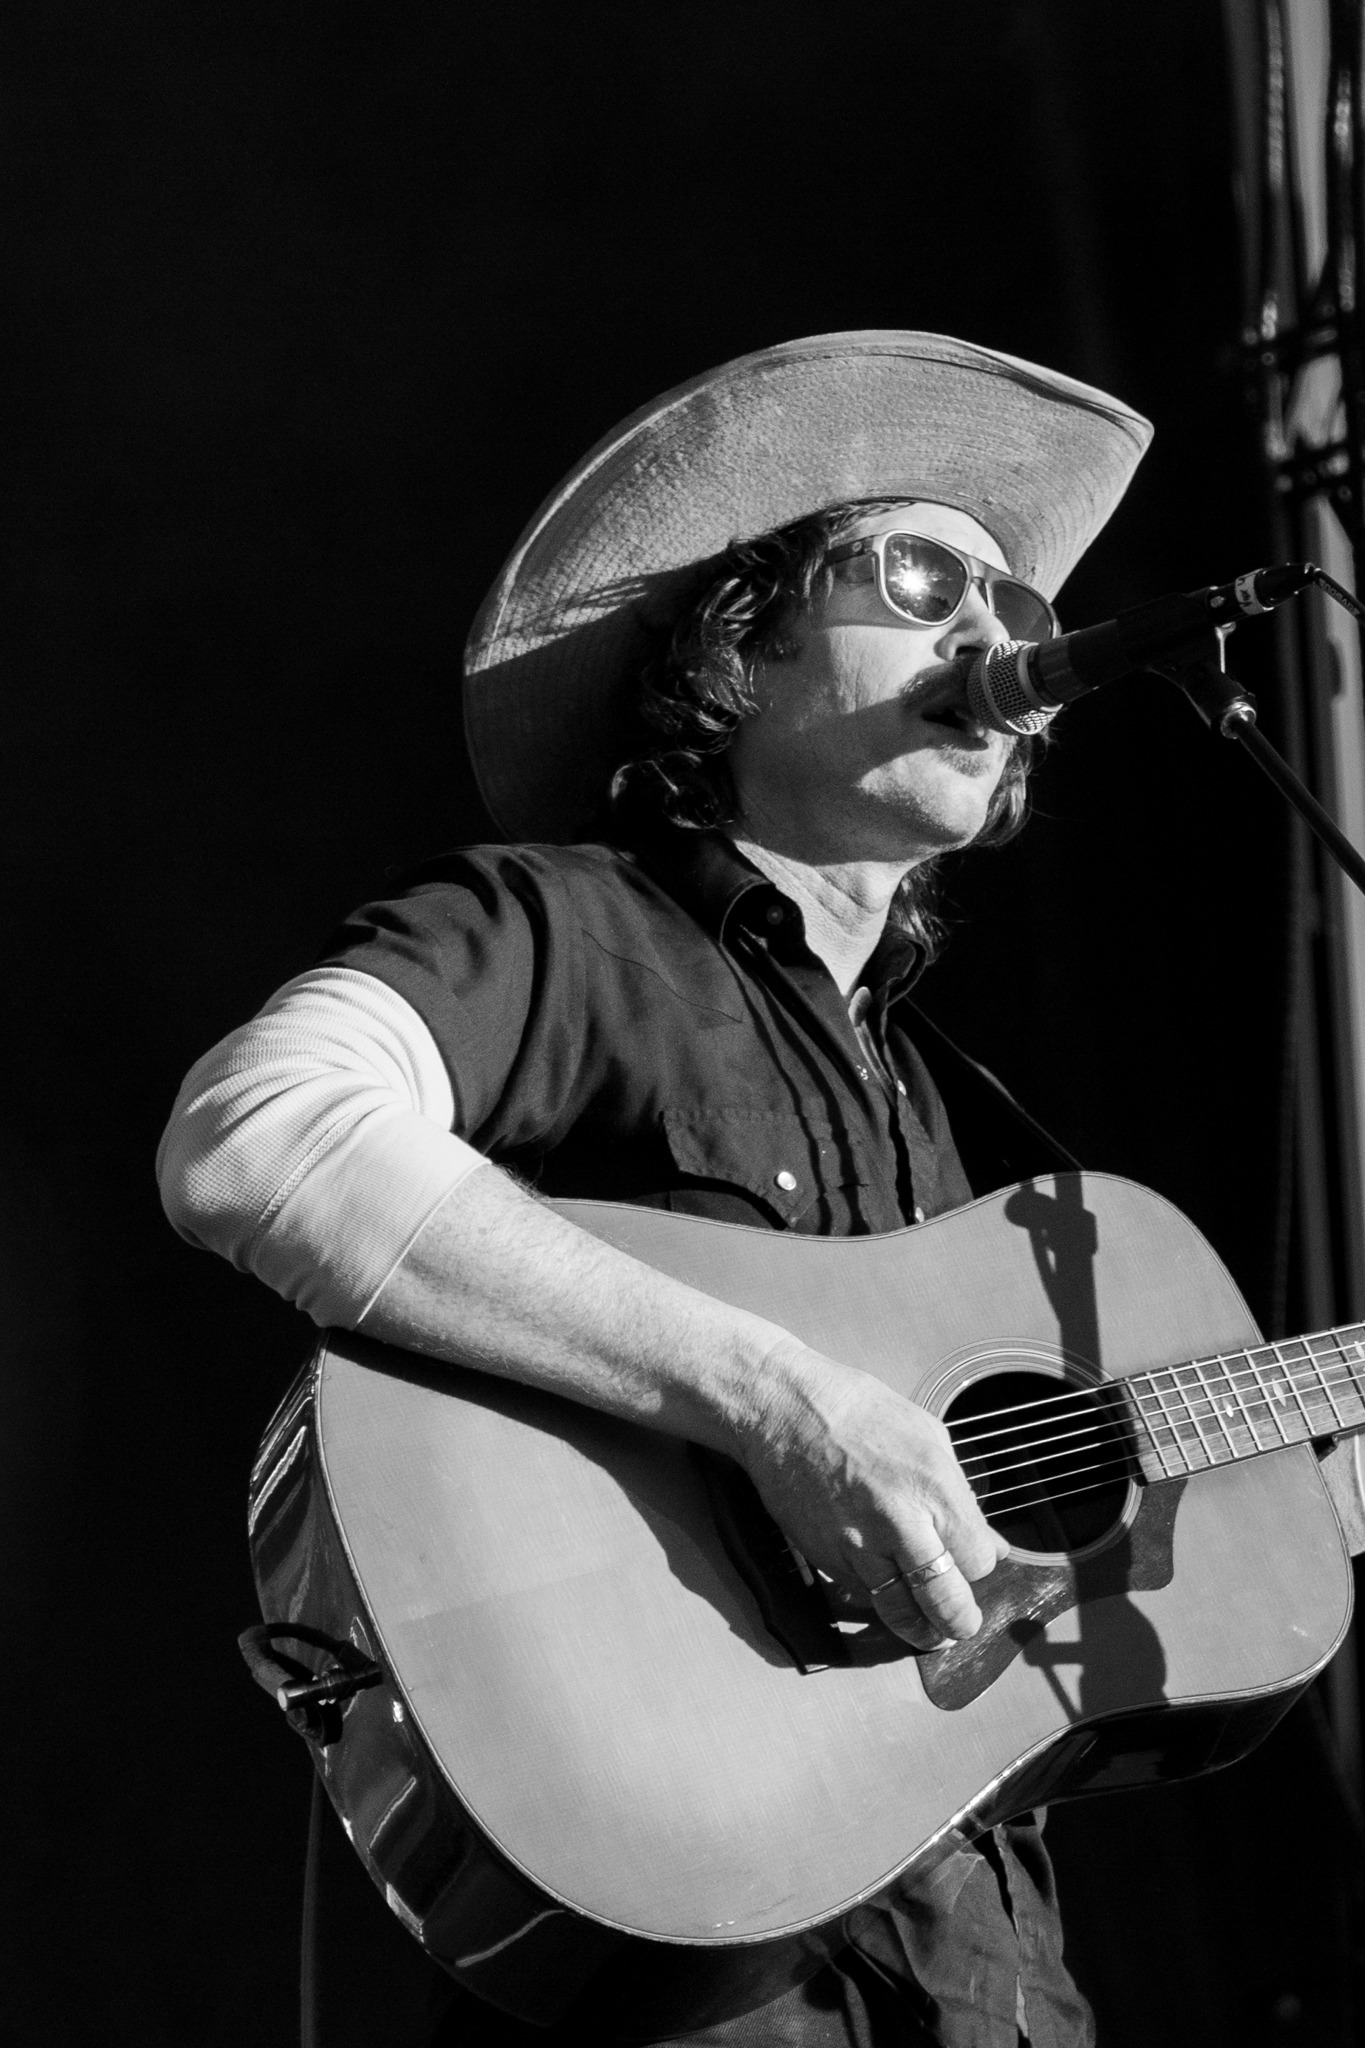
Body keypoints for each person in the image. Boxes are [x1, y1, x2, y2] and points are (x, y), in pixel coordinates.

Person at [158, 331, 1152, 2048]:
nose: (1000, 640)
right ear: (735, 646)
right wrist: (778, 1403)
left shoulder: (925, 1098)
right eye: (923, 580)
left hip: (974, 1958)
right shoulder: (571, 930)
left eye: (1015, 603)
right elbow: (257, 1135)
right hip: (675, 1948)